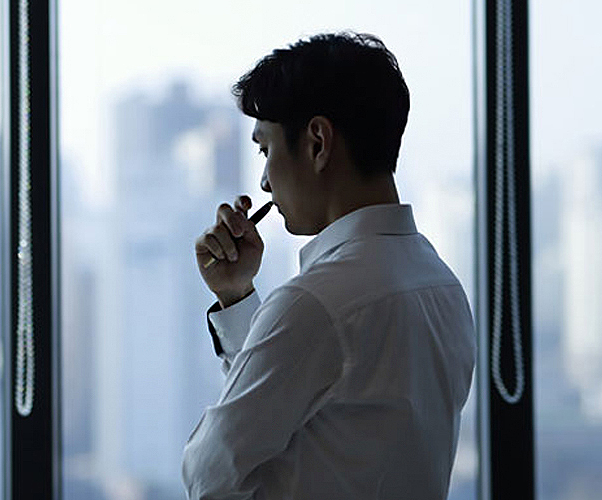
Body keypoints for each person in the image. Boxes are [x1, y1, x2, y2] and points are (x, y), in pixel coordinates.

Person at [183, 32, 475, 500]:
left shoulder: (315, 304)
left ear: (317, 142)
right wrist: (237, 295)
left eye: (266, 150)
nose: (262, 180)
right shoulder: (442, 286)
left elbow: (208, 474)